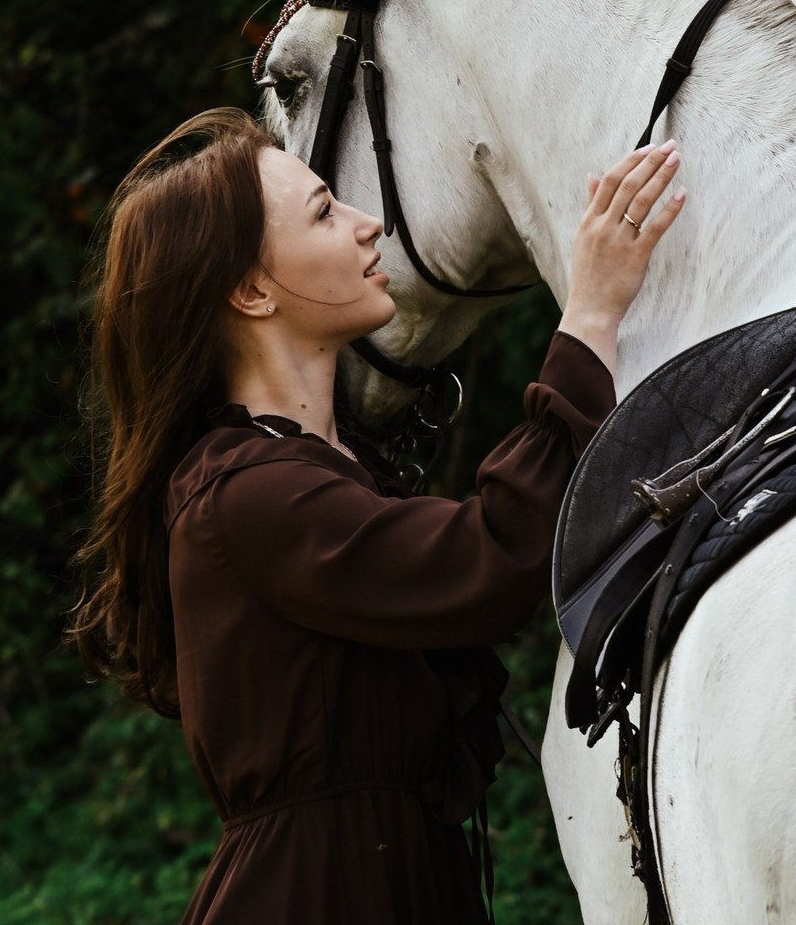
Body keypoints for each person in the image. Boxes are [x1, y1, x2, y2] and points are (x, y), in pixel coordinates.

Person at [71, 106, 685, 924]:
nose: (367, 227)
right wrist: (592, 314)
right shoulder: (243, 495)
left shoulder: (329, 470)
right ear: (252, 292)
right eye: (326, 211)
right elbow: (491, 559)